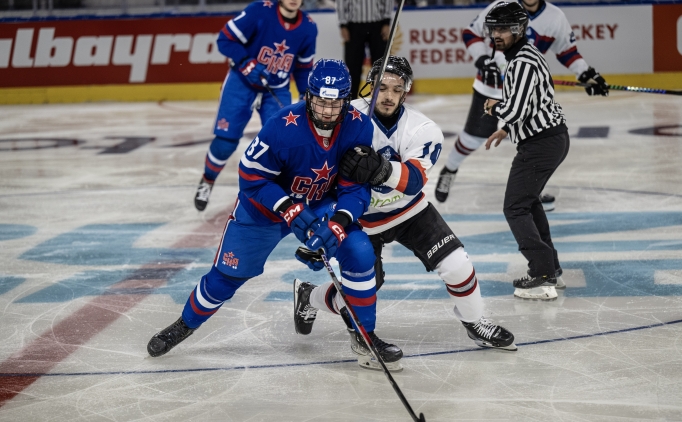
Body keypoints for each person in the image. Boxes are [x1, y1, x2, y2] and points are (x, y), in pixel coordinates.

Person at [148, 60, 401, 366]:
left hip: (319, 202)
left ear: (346, 101)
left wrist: (340, 221)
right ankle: (185, 324)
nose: (328, 112)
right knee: (225, 278)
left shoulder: (359, 125)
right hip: (265, 210)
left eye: (335, 104)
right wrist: (287, 208)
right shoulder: (282, 126)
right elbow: (251, 177)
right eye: (321, 102)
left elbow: (354, 186)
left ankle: (365, 335)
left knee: (360, 252)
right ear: (309, 96)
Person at [292, 56, 516, 372]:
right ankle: (310, 297)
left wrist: (380, 169)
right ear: (370, 86)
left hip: (409, 211)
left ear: (406, 91)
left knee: (458, 265)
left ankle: (475, 321)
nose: (387, 95)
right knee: (365, 287)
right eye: (381, 87)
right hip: (357, 220)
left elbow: (413, 182)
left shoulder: (422, 129)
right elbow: (312, 170)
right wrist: (316, 224)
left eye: (396, 89)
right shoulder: (344, 116)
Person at [435, 0, 608, 213]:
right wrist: (481, 59)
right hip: (491, 87)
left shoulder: (555, 17)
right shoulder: (501, 6)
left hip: (525, 88)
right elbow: (471, 33)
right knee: (475, 137)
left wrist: (585, 73)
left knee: (534, 140)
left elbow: (567, 51)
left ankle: (532, 191)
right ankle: (450, 169)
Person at [481, 2, 570, 301]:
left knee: (515, 207)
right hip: (547, 140)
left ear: (518, 28)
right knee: (528, 203)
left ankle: (543, 274)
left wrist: (496, 107)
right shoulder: (523, 55)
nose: (497, 34)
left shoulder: (521, 61)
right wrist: (505, 128)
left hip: (542, 143)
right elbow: (526, 105)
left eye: (503, 28)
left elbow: (516, 108)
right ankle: (551, 270)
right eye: (494, 28)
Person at [194, 0, 318, 211]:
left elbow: (303, 66)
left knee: (283, 143)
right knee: (225, 143)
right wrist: (245, 62)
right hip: (241, 83)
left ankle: (279, 196)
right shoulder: (259, 11)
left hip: (277, 88)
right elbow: (225, 39)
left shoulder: (308, 27)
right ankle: (207, 179)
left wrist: (306, 92)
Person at [336, 0, 393, 99]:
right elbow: (341, 2)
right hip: (353, 25)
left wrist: (386, 22)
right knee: (352, 66)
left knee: (380, 65)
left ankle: (382, 98)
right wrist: (343, 24)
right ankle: (351, 100)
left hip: (377, 25)